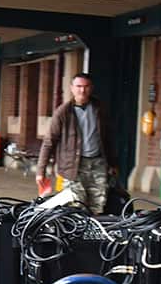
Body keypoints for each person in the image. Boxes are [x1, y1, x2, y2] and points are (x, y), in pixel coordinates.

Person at [36, 72, 116, 213]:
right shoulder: (63, 112)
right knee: (76, 202)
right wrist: (40, 171)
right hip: (72, 166)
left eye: (86, 86)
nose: (82, 90)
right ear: (72, 88)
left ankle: (93, 233)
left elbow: (108, 138)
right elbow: (49, 142)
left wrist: (113, 163)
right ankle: (75, 232)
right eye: (78, 86)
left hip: (97, 164)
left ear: (91, 88)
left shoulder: (100, 109)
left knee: (98, 203)